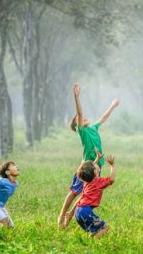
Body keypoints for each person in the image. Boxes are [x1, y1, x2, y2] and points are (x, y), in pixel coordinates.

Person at [57, 83, 119, 228]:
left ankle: (71, 215)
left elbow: (103, 118)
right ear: (77, 125)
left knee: (86, 192)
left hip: (97, 166)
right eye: (81, 119)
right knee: (74, 192)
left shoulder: (93, 128)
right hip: (86, 167)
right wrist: (76, 97)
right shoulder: (83, 132)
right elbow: (79, 114)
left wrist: (112, 106)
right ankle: (62, 215)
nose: (84, 118)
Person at [73, 152, 116, 239]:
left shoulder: (86, 181)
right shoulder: (97, 182)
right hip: (85, 212)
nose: (97, 167)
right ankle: (94, 244)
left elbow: (88, 169)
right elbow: (111, 179)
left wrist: (97, 159)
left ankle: (89, 242)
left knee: (94, 230)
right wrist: (112, 165)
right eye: (96, 167)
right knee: (105, 227)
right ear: (95, 171)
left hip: (78, 212)